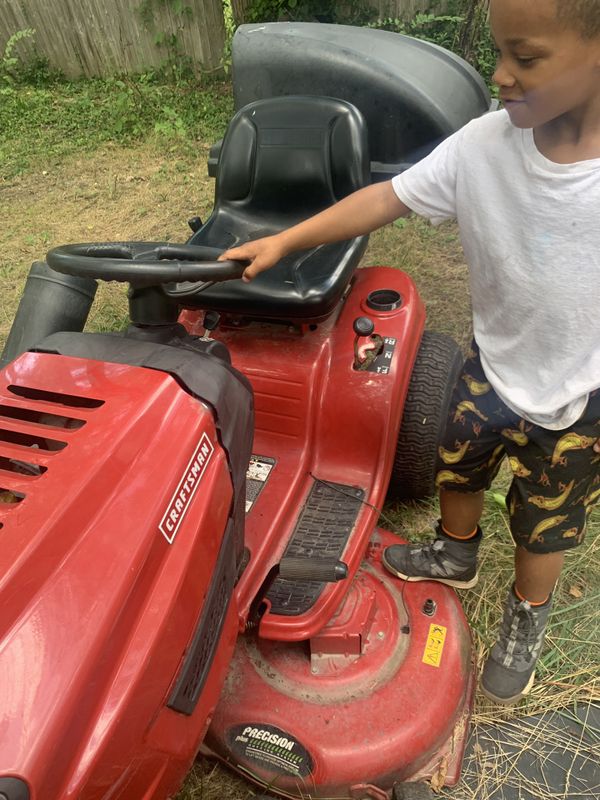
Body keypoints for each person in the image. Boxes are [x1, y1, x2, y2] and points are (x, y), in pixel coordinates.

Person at [220, 0, 600, 705]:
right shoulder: (482, 146)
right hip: (492, 366)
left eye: (528, 57)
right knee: (459, 461)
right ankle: (454, 553)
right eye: (499, 53)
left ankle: (527, 613)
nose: (502, 74)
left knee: (545, 521)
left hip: (581, 396)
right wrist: (287, 239)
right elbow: (385, 198)